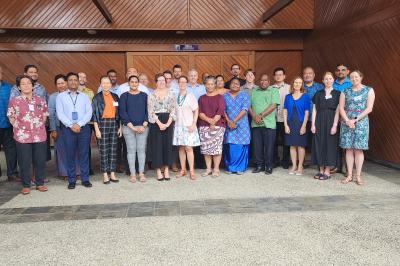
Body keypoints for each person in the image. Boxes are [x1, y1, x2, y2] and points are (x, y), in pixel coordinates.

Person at [7, 75, 48, 195]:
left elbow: (45, 116)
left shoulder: (40, 100)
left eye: (28, 83)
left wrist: (37, 126)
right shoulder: (14, 101)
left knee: (40, 160)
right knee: (24, 161)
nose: (26, 86)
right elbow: (11, 117)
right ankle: (26, 184)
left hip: (39, 135)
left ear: (33, 86)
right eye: (23, 84)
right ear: (19, 87)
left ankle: (40, 183)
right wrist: (21, 128)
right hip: (22, 136)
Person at [56, 72, 93, 189]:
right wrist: (71, 125)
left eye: (75, 80)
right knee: (70, 154)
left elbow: (89, 112)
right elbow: (60, 113)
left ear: (78, 82)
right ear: (67, 82)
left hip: (84, 128)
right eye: (70, 80)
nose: (73, 82)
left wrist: (80, 124)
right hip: (68, 129)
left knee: (84, 153)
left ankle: (85, 178)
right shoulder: (60, 97)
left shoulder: (84, 96)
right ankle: (71, 179)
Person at [339, 70, 375, 185]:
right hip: (347, 122)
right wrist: (347, 120)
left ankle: (358, 176)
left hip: (361, 122)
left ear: (361, 77)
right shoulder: (345, 91)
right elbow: (341, 108)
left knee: (358, 149)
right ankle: (349, 175)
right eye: (352, 77)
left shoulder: (369, 90)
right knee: (348, 149)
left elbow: (369, 108)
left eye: (356, 77)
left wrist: (355, 119)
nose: (354, 79)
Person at [49, 74, 80, 179]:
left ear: (66, 83)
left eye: (62, 83)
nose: (61, 85)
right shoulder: (53, 97)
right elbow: (51, 114)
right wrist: (53, 129)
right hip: (59, 127)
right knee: (62, 151)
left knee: (75, 149)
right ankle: (64, 173)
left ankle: (76, 171)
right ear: (56, 85)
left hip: (72, 126)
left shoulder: (73, 94)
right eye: (58, 83)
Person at [311, 72, 340, 180]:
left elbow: (338, 111)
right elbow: (314, 109)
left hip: (332, 120)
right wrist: (313, 124)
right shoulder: (318, 93)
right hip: (319, 120)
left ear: (333, 80)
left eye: (330, 78)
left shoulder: (338, 93)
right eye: (326, 79)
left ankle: (327, 171)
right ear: (323, 81)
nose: (328, 81)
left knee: (330, 145)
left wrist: (335, 125)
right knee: (319, 144)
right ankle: (321, 170)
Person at [119, 75, 149, 183]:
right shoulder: (124, 96)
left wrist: (144, 125)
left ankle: (141, 173)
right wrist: (131, 126)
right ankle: (132, 174)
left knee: (141, 151)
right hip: (128, 128)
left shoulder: (144, 96)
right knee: (131, 151)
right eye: (132, 82)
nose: (134, 84)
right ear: (129, 83)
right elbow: (122, 112)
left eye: (136, 82)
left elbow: (148, 111)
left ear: (139, 83)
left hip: (143, 127)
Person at [92, 76, 121, 184]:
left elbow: (119, 113)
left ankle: (112, 173)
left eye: (107, 83)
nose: (106, 85)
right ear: (100, 84)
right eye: (103, 83)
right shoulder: (96, 98)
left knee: (113, 150)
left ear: (110, 84)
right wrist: (97, 129)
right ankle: (105, 174)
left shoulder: (115, 96)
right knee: (104, 150)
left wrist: (120, 127)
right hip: (102, 124)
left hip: (114, 123)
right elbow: (94, 115)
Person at [148, 74, 176, 181]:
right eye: (159, 80)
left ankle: (167, 169)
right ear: (156, 82)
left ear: (166, 82)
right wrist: (159, 124)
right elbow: (150, 111)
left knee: (167, 146)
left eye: (163, 80)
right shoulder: (151, 95)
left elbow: (173, 110)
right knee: (157, 146)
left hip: (168, 120)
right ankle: (159, 171)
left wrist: (168, 124)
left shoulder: (171, 94)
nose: (161, 82)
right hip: (156, 123)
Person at [249, 74, 280, 175]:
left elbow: (274, 105)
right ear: (259, 82)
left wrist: (261, 115)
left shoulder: (274, 90)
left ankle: (269, 166)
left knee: (269, 147)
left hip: (269, 124)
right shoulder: (254, 91)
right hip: (255, 123)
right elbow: (248, 106)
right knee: (257, 146)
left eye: (265, 80)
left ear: (269, 81)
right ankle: (259, 165)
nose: (263, 82)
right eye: (261, 80)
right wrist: (254, 116)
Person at [173, 76, 200, 180]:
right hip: (178, 125)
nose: (182, 84)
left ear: (187, 84)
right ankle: (183, 170)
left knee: (189, 148)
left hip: (189, 124)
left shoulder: (190, 96)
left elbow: (196, 110)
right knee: (181, 148)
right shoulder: (175, 96)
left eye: (184, 82)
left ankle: (192, 171)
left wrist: (194, 123)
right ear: (178, 83)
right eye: (180, 82)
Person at [198, 76, 225, 177]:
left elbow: (220, 111)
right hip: (204, 125)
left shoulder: (220, 97)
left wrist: (213, 122)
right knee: (206, 149)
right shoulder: (201, 98)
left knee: (216, 149)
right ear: (205, 85)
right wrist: (209, 121)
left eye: (212, 84)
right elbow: (200, 112)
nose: (209, 86)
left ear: (215, 85)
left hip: (218, 126)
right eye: (208, 84)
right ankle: (208, 168)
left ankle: (216, 169)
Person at [283, 77, 310, 175]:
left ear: (302, 84)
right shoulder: (288, 97)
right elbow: (285, 111)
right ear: (292, 84)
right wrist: (286, 125)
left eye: (299, 83)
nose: (297, 84)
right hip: (290, 123)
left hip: (300, 123)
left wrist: (304, 126)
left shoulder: (305, 96)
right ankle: (294, 165)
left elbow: (307, 112)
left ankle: (300, 166)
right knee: (292, 145)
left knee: (300, 145)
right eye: (295, 82)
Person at [224, 78, 251, 174]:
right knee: (230, 145)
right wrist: (228, 121)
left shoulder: (244, 95)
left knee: (241, 145)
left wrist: (234, 121)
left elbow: (245, 109)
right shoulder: (224, 96)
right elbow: (222, 110)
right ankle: (230, 168)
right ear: (229, 85)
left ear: (240, 86)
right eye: (233, 83)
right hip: (229, 124)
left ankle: (240, 168)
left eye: (237, 84)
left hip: (242, 125)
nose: (235, 85)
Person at [332, 63, 352, 174]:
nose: (341, 72)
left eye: (343, 70)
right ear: (335, 72)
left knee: (346, 144)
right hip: (334, 117)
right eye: (338, 70)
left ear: (347, 71)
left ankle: (347, 168)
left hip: (347, 117)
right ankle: (337, 166)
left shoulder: (351, 83)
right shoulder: (332, 83)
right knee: (335, 143)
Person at [0, 66, 18, 181]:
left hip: (7, 125)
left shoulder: (9, 87)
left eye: (0, 72)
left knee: (11, 150)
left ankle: (12, 173)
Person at [271, 67, 291, 169]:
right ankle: (275, 160)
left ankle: (285, 160)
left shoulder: (289, 88)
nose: (278, 76)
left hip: (285, 119)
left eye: (280, 74)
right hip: (273, 118)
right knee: (273, 141)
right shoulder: (270, 88)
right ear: (274, 76)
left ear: (284, 76)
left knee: (286, 140)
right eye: (276, 75)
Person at [303, 67, 324, 151]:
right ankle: (303, 161)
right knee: (303, 142)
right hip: (302, 119)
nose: (307, 75)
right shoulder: (299, 86)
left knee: (317, 141)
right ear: (303, 75)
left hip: (317, 118)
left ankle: (316, 161)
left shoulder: (320, 87)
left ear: (314, 75)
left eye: (310, 73)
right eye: (305, 73)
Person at [78, 72, 95, 175]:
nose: (82, 79)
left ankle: (87, 167)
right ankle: (77, 169)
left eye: (84, 77)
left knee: (86, 146)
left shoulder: (90, 92)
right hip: (74, 122)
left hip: (88, 122)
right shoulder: (70, 92)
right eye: (80, 77)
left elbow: (92, 108)